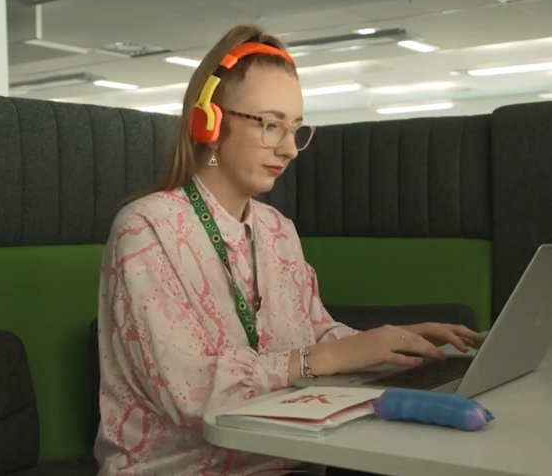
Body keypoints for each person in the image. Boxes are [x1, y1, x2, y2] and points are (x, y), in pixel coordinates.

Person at [94, 24, 484, 476]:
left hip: (292, 460)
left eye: (296, 129)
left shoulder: (278, 230)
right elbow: (189, 392)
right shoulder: (145, 228)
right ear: (210, 122)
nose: (289, 148)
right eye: (270, 125)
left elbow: (314, 334)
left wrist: (393, 341)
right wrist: (328, 359)